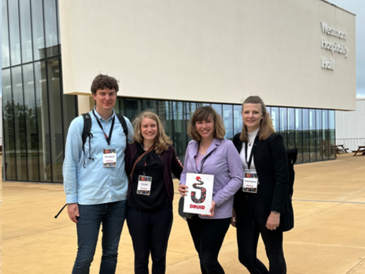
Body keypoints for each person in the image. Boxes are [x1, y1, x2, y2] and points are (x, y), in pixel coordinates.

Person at [63, 74, 134, 274]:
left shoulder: (123, 123)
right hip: (89, 200)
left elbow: (137, 153)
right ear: (94, 95)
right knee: (85, 255)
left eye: (111, 94)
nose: (107, 98)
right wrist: (71, 200)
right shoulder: (80, 124)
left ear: (116, 96)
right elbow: (70, 163)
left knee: (111, 252)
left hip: (118, 199)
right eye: (102, 93)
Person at [232, 96, 294, 274]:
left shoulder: (273, 140)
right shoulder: (237, 140)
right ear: (242, 114)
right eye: (247, 112)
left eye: (255, 112)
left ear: (262, 115)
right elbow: (233, 174)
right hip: (244, 204)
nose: (250, 115)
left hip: (267, 205)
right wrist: (233, 207)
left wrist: (276, 212)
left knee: (274, 255)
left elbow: (283, 178)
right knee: (245, 256)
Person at [178, 106, 244, 274]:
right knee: (202, 257)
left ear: (215, 123)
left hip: (218, 212)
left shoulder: (226, 146)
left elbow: (238, 178)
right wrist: (183, 185)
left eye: (208, 121)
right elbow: (185, 172)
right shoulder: (192, 146)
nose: (204, 126)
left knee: (209, 259)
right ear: (194, 125)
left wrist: (216, 200)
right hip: (194, 210)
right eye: (199, 122)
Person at [124, 111, 183, 274]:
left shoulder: (167, 150)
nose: (149, 129)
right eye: (145, 126)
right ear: (139, 128)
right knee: (141, 258)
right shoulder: (130, 150)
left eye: (152, 125)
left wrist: (188, 183)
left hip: (162, 211)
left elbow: (181, 172)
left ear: (158, 127)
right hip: (136, 212)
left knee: (159, 257)